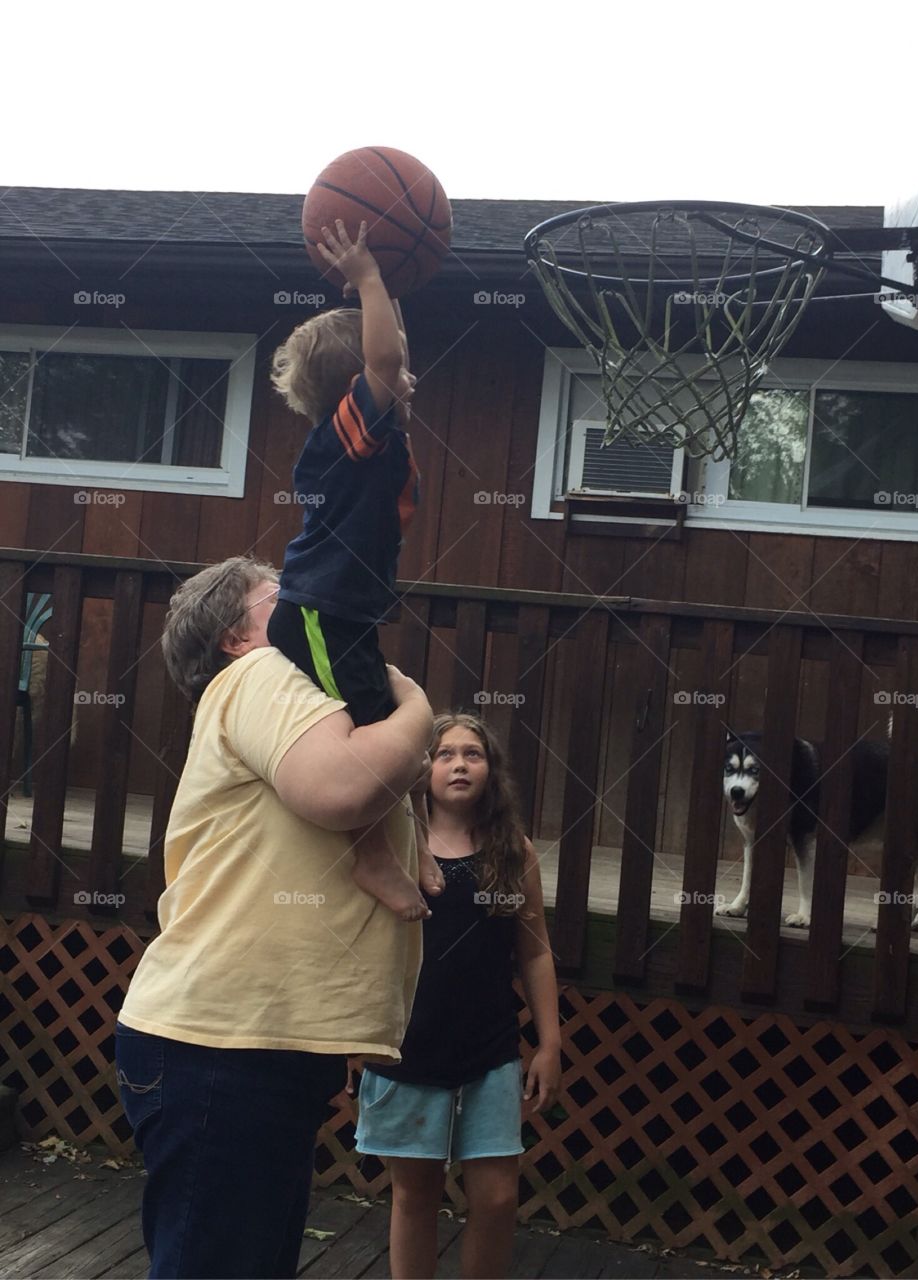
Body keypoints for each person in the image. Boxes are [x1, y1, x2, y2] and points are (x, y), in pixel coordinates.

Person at [115, 555, 433, 1280]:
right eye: (282, 599)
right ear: (236, 636)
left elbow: (369, 780)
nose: (308, 609)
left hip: (249, 1048)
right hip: (222, 1050)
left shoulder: (287, 699)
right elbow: (348, 787)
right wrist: (416, 702)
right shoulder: (261, 676)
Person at [268, 218, 440, 923]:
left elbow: (387, 354)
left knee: (400, 728)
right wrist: (369, 278)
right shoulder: (348, 438)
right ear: (356, 385)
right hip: (319, 610)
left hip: (345, 613)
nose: (408, 373)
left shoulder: (374, 434)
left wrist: (388, 284)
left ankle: (415, 841)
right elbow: (381, 362)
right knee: (373, 732)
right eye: (396, 368)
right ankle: (371, 856)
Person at [353, 713, 562, 1280]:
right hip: (408, 1046)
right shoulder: (393, 845)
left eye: (473, 753)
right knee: (414, 1194)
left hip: (489, 1049)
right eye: (444, 754)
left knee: (496, 1198)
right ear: (422, 770)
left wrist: (549, 1043)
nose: (460, 764)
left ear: (491, 772)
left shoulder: (513, 851)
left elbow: (535, 951)